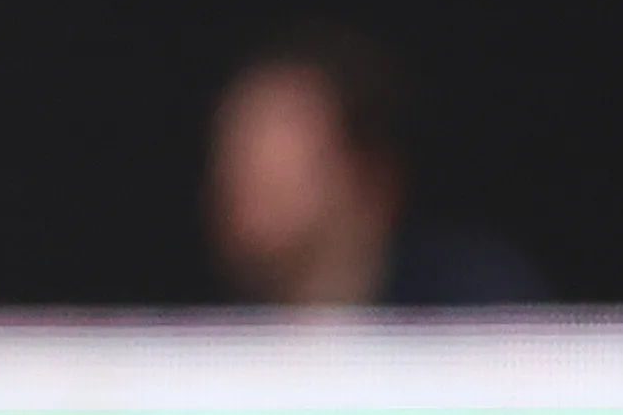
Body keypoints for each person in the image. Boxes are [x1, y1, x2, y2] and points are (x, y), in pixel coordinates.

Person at [208, 24, 544, 310]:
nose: (241, 196)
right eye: (234, 171)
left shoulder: (479, 312)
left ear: (369, 176)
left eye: (275, 183)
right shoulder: (196, 352)